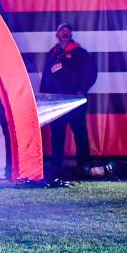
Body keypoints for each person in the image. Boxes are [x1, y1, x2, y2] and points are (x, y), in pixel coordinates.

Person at [40, 24, 97, 179]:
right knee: (57, 134)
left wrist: (82, 89)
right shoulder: (52, 54)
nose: (65, 32)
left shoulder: (80, 53)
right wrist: (44, 95)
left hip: (75, 100)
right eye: (62, 30)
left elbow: (91, 73)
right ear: (57, 34)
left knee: (80, 133)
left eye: (67, 30)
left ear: (71, 33)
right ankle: (56, 166)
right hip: (57, 101)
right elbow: (46, 76)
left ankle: (83, 165)